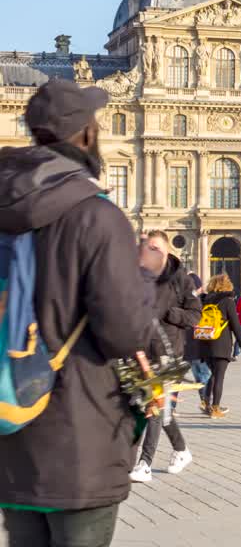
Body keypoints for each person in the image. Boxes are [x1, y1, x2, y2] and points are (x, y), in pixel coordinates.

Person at [0, 79, 161, 547]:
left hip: (12, 422)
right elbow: (123, 329)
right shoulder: (95, 215)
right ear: (87, 136)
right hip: (79, 433)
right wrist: (146, 276)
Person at [130, 231, 202, 483]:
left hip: (170, 352)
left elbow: (195, 315)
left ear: (167, 249)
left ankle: (144, 463)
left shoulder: (180, 278)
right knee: (155, 406)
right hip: (142, 351)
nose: (153, 252)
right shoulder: (139, 277)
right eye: (149, 247)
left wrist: (172, 314)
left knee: (156, 405)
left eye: (157, 247)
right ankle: (181, 450)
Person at [191, 274, 241, 419]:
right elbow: (235, 324)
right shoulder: (228, 301)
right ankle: (215, 408)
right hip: (221, 344)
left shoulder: (205, 300)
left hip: (206, 342)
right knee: (219, 377)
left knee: (213, 375)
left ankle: (206, 402)